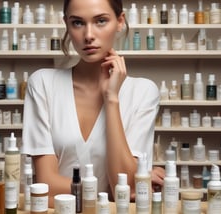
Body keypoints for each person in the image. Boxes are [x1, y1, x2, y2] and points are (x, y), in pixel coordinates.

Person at [22, 0, 165, 207]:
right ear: (67, 25)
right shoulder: (43, 84)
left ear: (120, 22)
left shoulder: (143, 92)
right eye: (78, 23)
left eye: (100, 21)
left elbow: (125, 189)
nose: (88, 35)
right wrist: (118, 188)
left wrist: (112, 99)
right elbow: (46, 183)